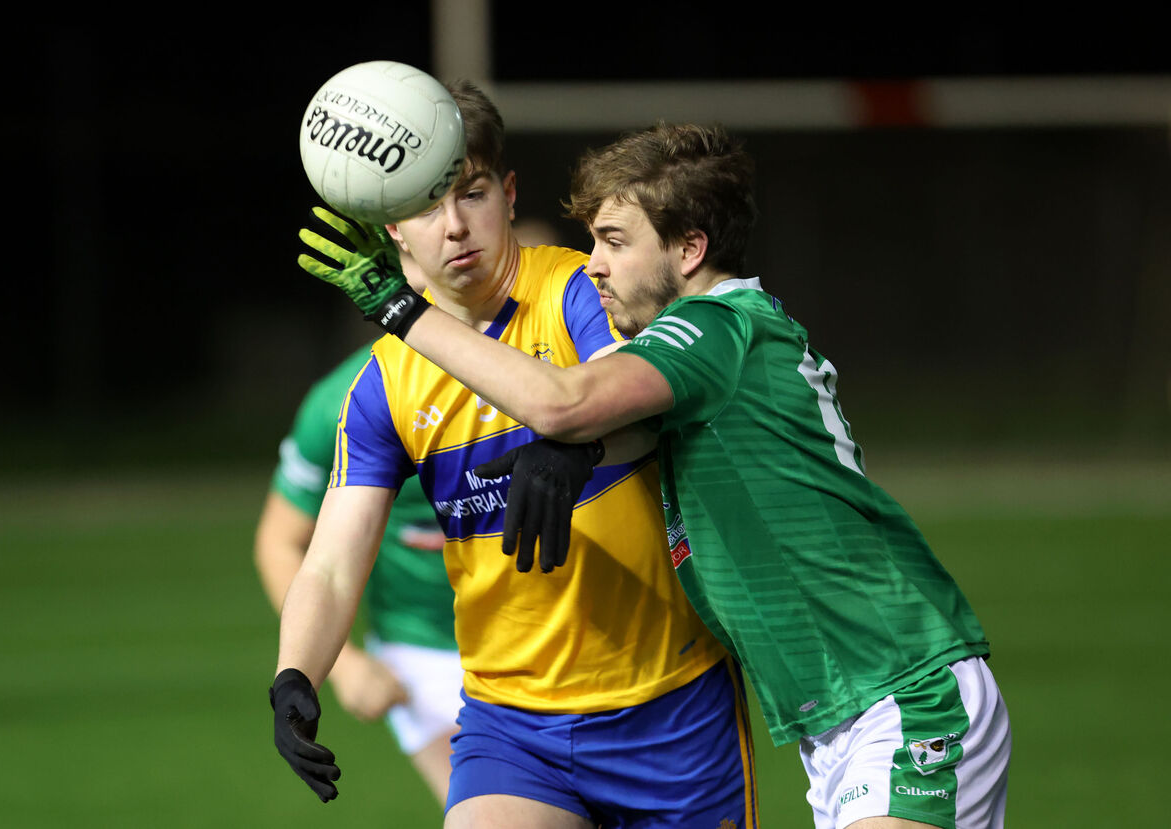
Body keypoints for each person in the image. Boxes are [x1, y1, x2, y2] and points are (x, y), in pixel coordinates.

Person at [305, 121, 1012, 829]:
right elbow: (614, 426)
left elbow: (564, 399)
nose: (594, 265)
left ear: (689, 248)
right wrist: (567, 452)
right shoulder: (694, 360)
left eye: (614, 241)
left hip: (907, 690)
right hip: (838, 721)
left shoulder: (713, 324)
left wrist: (399, 308)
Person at [274, 85, 759, 828]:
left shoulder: (580, 290)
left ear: (507, 194)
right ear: (392, 228)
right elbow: (333, 559)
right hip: (513, 725)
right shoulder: (382, 385)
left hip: (671, 706)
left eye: (471, 194)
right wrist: (297, 673)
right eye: (426, 206)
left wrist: (579, 447)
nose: (456, 226)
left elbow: (649, 408)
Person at [255, 334, 461, 803]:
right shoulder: (343, 401)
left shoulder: (552, 364)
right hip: (424, 657)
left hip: (563, 638)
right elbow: (280, 540)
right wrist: (343, 667)